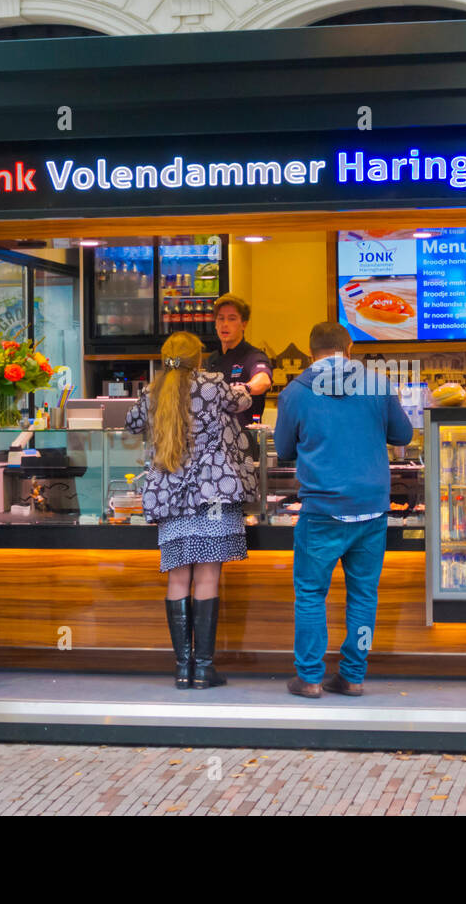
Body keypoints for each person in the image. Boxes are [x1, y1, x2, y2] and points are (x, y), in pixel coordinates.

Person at [274, 322, 414, 698]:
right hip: (370, 509)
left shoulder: (293, 394)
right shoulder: (378, 384)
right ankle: (353, 675)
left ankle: (309, 677)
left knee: (310, 593)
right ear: (348, 347)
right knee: (364, 595)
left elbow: (284, 449)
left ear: (310, 353)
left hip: (322, 509)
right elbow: (403, 435)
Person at [126, 332, 255, 689]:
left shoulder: (153, 391)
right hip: (212, 493)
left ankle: (183, 668)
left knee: (178, 575)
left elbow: (131, 425)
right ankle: (204, 669)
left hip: (169, 495)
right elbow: (243, 401)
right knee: (208, 575)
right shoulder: (213, 384)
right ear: (199, 358)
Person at [206, 294, 272, 426]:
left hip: (244, 438)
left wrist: (243, 388)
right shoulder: (211, 360)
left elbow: (264, 380)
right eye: (221, 319)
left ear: (244, 324)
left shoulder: (253, 356)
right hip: (214, 438)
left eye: (232, 319)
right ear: (215, 324)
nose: (225, 324)